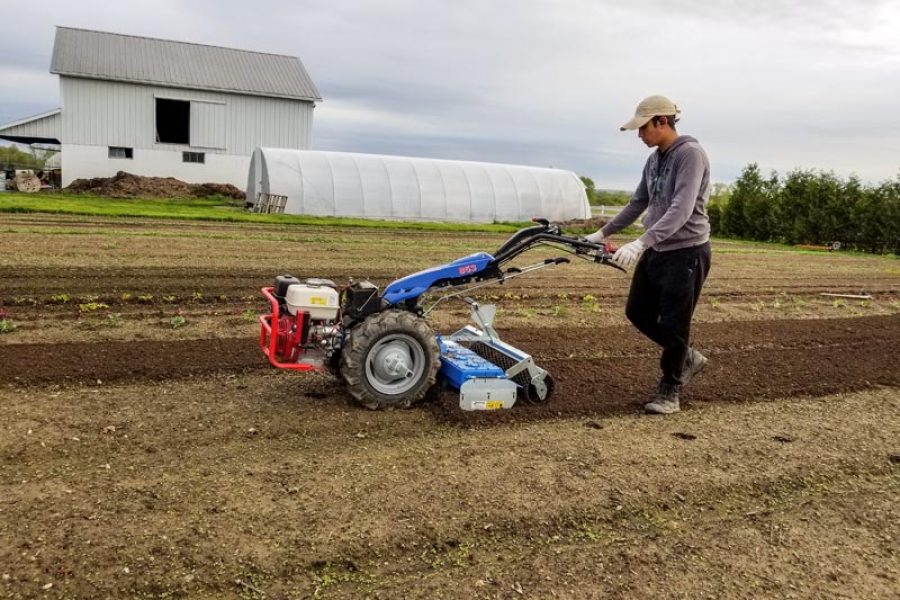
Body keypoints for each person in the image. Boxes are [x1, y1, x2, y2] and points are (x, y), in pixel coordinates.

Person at [585, 95, 711, 414]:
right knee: (637, 312)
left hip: (686, 252)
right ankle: (687, 357)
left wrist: (640, 242)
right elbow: (638, 202)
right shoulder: (655, 159)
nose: (640, 135)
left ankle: (670, 391)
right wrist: (603, 233)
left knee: (674, 323)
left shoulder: (690, 155)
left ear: (662, 121)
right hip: (657, 248)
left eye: (643, 128)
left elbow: (681, 209)